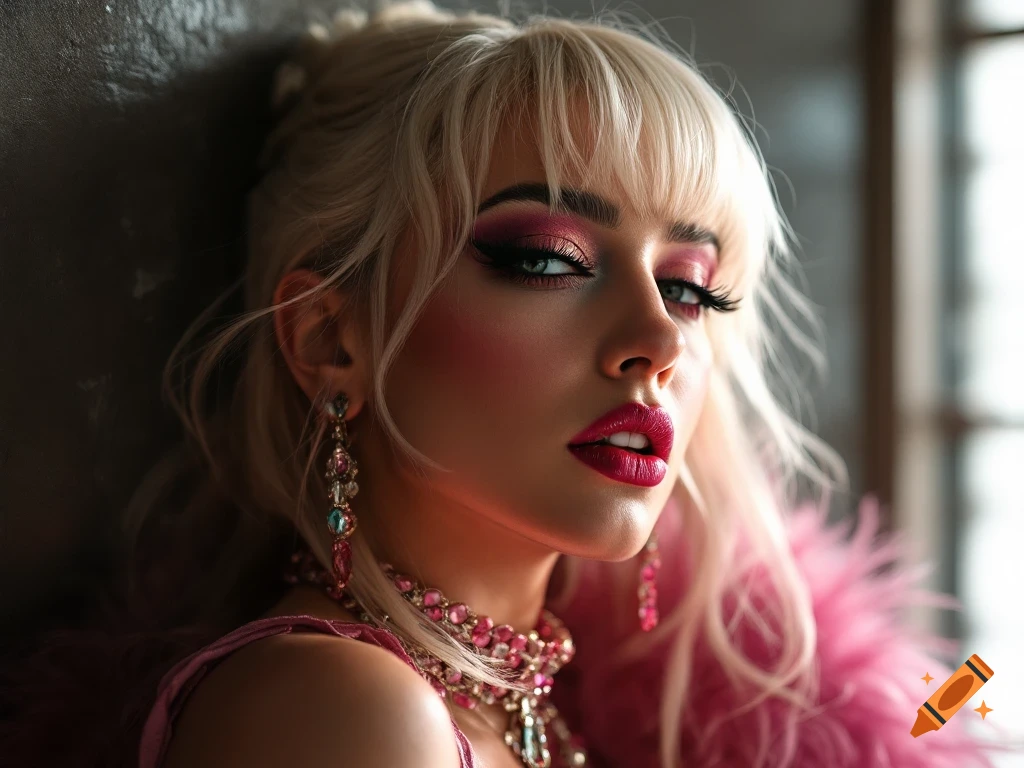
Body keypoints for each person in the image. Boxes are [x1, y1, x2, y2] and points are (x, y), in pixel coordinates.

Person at [0, 2, 1009, 767]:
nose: (657, 339)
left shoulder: (521, 714)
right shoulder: (340, 707)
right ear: (328, 337)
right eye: (548, 260)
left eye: (689, 288)